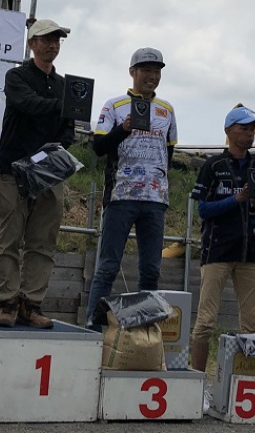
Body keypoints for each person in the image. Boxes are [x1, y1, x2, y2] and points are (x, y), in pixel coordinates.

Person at [189, 106, 255, 407]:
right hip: (217, 249)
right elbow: (203, 210)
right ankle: (196, 386)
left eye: (253, 129)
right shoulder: (213, 166)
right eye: (244, 128)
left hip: (250, 252)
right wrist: (235, 199)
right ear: (229, 131)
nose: (250, 134)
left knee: (252, 324)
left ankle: (246, 390)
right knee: (205, 321)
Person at [0, 19, 75, 329]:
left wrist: (53, 152)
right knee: (8, 239)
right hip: (13, 169)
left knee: (43, 242)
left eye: (57, 40)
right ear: (32, 44)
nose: (52, 44)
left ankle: (32, 304)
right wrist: (64, 106)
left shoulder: (66, 85)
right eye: (45, 39)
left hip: (50, 172)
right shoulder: (17, 76)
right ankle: (6, 303)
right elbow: (28, 105)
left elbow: (69, 130)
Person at [84, 48, 178, 328]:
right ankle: (94, 323)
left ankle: (145, 326)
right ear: (132, 72)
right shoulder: (114, 105)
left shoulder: (168, 110)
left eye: (157, 71)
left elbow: (169, 152)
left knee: (151, 269)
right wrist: (122, 129)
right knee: (108, 266)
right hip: (121, 196)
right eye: (146, 70)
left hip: (155, 199)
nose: (152, 76)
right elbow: (99, 147)